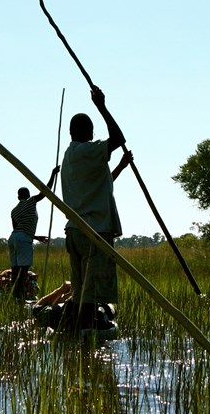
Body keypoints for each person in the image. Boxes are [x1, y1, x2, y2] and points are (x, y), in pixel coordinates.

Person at [61, 86, 126, 332]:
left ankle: (79, 327)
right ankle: (86, 335)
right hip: (93, 231)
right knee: (92, 292)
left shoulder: (70, 156)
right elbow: (119, 139)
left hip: (75, 231)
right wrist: (102, 106)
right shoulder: (86, 150)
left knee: (81, 290)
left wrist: (120, 167)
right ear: (88, 133)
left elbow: (100, 185)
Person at [7, 166, 60, 300]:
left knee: (15, 270)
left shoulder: (14, 210)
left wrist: (37, 237)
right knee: (23, 270)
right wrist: (53, 174)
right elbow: (45, 191)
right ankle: (21, 297)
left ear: (18, 196)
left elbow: (17, 229)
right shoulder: (31, 202)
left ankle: (15, 296)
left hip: (13, 238)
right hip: (23, 239)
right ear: (28, 195)